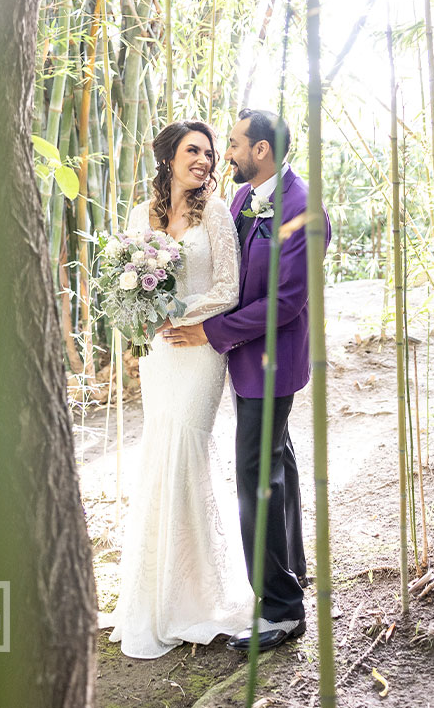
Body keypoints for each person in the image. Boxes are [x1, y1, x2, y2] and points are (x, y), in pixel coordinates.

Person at [163, 109, 331, 653]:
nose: (222, 155)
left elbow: (285, 303)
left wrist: (210, 331)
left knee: (257, 479)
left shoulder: (304, 210)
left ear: (260, 150)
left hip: (271, 362)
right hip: (240, 357)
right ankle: (295, 571)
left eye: (232, 145)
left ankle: (281, 612)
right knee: (276, 461)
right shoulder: (240, 200)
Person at [109, 120, 253, 659]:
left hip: (197, 349)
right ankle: (156, 593)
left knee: (188, 450)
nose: (205, 161)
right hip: (158, 354)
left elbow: (228, 288)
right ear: (168, 155)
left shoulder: (214, 213)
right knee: (159, 453)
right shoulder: (137, 215)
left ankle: (200, 593)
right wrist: (138, 321)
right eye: (194, 151)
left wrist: (177, 318)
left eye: (211, 154)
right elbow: (123, 283)